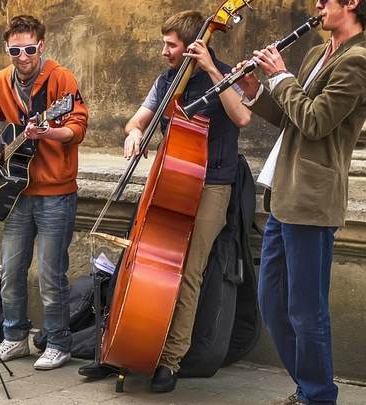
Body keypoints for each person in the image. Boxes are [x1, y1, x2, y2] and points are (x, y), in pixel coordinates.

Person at [236, 1, 366, 404]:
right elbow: (291, 116)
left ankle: (317, 395)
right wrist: (258, 91)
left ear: (352, 3)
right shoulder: (316, 52)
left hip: (312, 198)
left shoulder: (358, 61)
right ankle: (310, 387)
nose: (316, 6)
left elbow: (315, 122)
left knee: (306, 309)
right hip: (284, 194)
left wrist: (279, 76)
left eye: (325, 0)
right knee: (272, 301)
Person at [121, 10, 251, 392]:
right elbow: (136, 121)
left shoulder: (226, 74)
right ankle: (132, 342)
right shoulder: (166, 81)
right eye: (165, 43)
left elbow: (242, 117)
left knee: (189, 272)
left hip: (213, 184)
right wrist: (133, 134)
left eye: (171, 45)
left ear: (195, 46)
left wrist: (212, 69)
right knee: (148, 264)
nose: (164, 51)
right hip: (170, 183)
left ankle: (171, 360)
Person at [0, 15, 88, 370]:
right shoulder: (0, 82)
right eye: (14, 50)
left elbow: (77, 128)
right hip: (16, 189)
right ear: (7, 49)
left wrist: (47, 133)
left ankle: (58, 343)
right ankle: (14, 338)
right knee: (10, 271)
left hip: (56, 191)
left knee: (50, 275)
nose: (22, 56)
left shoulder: (61, 79)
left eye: (29, 49)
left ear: (40, 47)